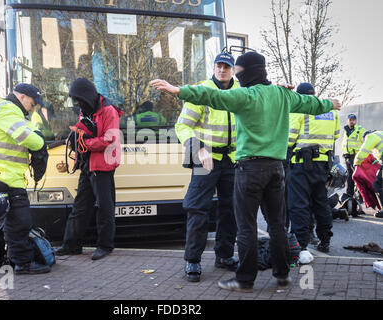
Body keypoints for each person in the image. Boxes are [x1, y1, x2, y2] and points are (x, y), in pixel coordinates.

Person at [151, 51, 341, 292]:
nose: (227, 72)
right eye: (220, 66)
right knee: (269, 222)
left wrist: (178, 90)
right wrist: (329, 103)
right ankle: (198, 262)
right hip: (224, 162)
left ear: (238, 71)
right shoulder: (280, 93)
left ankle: (241, 273)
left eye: (233, 69)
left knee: (243, 222)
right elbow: (308, 102)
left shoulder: (242, 95)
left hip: (243, 165)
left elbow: (210, 97)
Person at [174, 52, 240, 282]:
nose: (222, 70)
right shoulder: (202, 91)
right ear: (214, 68)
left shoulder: (241, 91)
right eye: (218, 66)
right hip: (205, 158)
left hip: (232, 159)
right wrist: (199, 149)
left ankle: (224, 255)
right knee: (198, 209)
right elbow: (182, 126)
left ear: (233, 70)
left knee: (230, 210)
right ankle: (193, 261)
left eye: (226, 66)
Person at [0, 83, 51, 274]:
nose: (32, 109)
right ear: (22, 97)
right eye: (32, 104)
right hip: (5, 176)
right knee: (18, 221)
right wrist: (40, 140)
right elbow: (30, 139)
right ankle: (23, 263)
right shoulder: (8, 111)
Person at [55, 78, 122, 260]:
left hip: (102, 166)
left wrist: (84, 143)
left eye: (79, 99)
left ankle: (105, 246)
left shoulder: (108, 111)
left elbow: (110, 139)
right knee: (80, 207)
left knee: (104, 208)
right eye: (75, 100)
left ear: (86, 96)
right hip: (87, 164)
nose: (77, 104)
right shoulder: (87, 109)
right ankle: (71, 245)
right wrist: (76, 143)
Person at [286, 83, 339, 264]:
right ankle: (325, 240)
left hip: (301, 165)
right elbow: (336, 135)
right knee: (321, 202)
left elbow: (289, 138)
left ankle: (301, 245)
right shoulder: (332, 112)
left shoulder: (299, 110)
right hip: (323, 164)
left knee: (299, 204)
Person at [354, 130, 383, 218]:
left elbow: (363, 151)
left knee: (377, 184)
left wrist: (356, 162)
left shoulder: (370, 137)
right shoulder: (380, 133)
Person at [342, 114, 366, 197]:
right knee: (350, 176)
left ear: (356, 121)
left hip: (357, 156)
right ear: (347, 121)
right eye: (350, 120)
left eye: (353, 120)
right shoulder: (346, 130)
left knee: (358, 176)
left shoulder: (360, 130)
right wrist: (345, 153)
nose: (352, 121)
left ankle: (361, 195)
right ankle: (349, 194)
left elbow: (365, 142)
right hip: (348, 156)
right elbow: (345, 144)